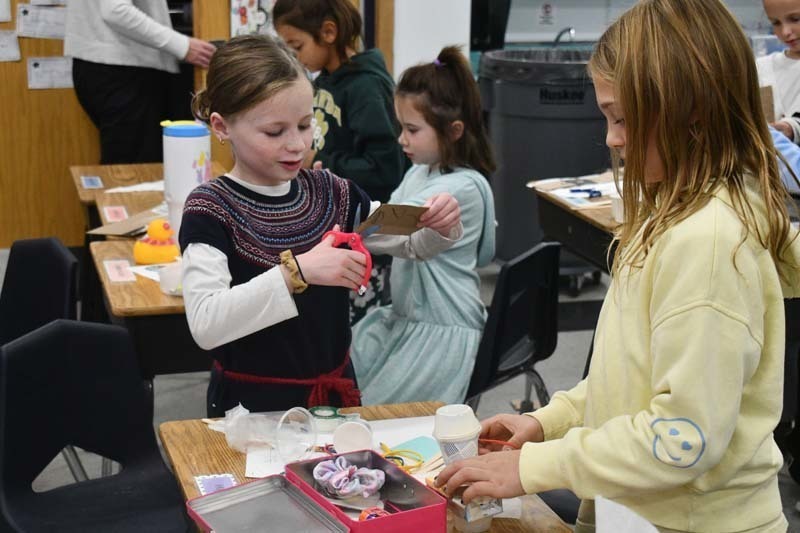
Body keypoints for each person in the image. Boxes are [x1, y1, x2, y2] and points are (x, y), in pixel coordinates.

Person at [436, 1, 800, 532]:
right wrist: (546, 422)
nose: (611, 137)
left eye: (622, 118)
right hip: (634, 512)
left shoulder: (707, 244)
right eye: (608, 117)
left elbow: (682, 438)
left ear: (689, 110)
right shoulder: (667, 217)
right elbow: (627, 380)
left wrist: (535, 467)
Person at [180, 35, 462, 417]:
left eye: (304, 125)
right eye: (274, 132)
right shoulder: (211, 208)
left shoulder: (332, 194)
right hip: (250, 414)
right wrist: (298, 272)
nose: (297, 144)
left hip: (334, 405)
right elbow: (206, 323)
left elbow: (411, 242)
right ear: (221, 126)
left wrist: (439, 224)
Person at [351, 46, 496, 405]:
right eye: (401, 127)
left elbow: (388, 228)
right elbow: (384, 221)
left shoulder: (462, 187)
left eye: (412, 129)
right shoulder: (419, 171)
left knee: (372, 417)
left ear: (454, 130)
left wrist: (326, 210)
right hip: (409, 317)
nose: (402, 139)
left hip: (442, 329)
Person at [273, 0, 407, 324]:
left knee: (353, 331)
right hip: (333, 220)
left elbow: (386, 168)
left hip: (365, 230)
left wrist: (320, 159)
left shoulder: (366, 86)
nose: (295, 57)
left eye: (297, 46)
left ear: (328, 32)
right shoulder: (324, 80)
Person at [64, 0, 216, 164]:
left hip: (109, 63)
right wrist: (182, 46)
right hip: (122, 67)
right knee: (134, 171)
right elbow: (116, 11)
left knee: (133, 165)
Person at [757, 0, 800, 144]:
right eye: (775, 23)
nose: (785, 32)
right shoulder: (762, 67)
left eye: (795, 19)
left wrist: (791, 129)